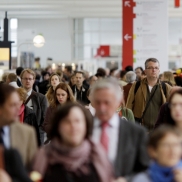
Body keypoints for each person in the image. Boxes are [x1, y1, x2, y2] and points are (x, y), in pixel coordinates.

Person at [33, 103, 113, 182]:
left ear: (86, 125)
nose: (73, 126)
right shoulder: (44, 156)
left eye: (77, 121)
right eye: (67, 121)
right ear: (58, 126)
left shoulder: (97, 155)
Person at [91, 78, 149, 180]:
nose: (102, 108)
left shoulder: (136, 132)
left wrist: (127, 179)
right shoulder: (83, 129)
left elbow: (145, 169)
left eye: (107, 102)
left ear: (118, 102)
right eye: (98, 102)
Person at [126, 58, 172, 131]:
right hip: (141, 128)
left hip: (159, 130)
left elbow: (171, 108)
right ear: (145, 71)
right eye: (150, 68)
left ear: (159, 70)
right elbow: (128, 107)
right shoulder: (136, 86)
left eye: (156, 68)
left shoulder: (166, 87)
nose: (154, 70)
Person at [0, 84, 37, 170]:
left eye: (18, 104)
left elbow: (33, 170)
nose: (18, 108)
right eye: (12, 105)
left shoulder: (27, 133)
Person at [20, 69, 47, 145]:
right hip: (19, 135)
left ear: (34, 80)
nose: (27, 81)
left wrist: (38, 132)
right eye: (25, 78)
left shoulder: (41, 98)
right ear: (21, 80)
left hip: (35, 137)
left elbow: (45, 119)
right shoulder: (15, 96)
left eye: (30, 79)